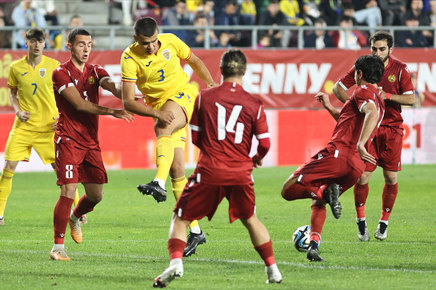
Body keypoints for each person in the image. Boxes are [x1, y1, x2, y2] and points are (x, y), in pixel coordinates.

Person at [152, 49, 282, 288]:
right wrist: (256, 158)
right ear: (244, 71)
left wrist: (213, 150)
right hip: (241, 172)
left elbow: (197, 137)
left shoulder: (204, 97)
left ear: (220, 71)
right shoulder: (255, 103)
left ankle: (176, 263)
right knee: (251, 218)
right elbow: (265, 143)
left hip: (209, 170)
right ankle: (272, 269)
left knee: (181, 218)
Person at [121, 17, 217, 257]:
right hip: (161, 106)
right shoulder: (129, 59)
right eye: (145, 43)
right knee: (178, 171)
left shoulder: (171, 42)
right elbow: (128, 102)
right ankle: (195, 231)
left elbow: (193, 60)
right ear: (136, 40)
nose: (151, 47)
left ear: (158, 35)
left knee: (162, 128)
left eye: (154, 41)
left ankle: (157, 183)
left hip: (183, 94)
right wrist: (156, 112)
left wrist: (211, 84)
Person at [282, 54, 386, 262]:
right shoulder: (379, 99)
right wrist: (330, 107)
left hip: (339, 154)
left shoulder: (362, 91)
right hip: (356, 166)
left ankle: (324, 192)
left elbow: (370, 113)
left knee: (288, 189)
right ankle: (314, 246)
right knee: (319, 202)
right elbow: (349, 120)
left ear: (360, 74)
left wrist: (360, 142)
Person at [49, 28, 133, 261]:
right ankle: (58, 247)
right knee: (69, 189)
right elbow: (79, 105)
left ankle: (76, 218)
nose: (86, 49)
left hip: (90, 142)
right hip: (68, 139)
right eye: (81, 44)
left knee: (96, 196)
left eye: (89, 44)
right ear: (70, 46)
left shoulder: (96, 71)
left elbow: (111, 85)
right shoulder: (60, 73)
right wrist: (112, 111)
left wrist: (127, 93)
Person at [332, 31, 415, 242]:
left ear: (390, 50)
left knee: (391, 178)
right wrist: (355, 105)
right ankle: (361, 222)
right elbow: (337, 88)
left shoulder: (400, 69)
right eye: (373, 49)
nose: (377, 53)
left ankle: (383, 223)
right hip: (370, 129)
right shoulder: (364, 66)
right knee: (362, 177)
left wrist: (385, 96)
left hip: (392, 130)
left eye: (381, 49)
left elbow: (411, 99)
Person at [0, 28, 59, 226]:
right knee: (8, 168)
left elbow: (66, 95)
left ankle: (77, 211)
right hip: (23, 127)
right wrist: (17, 110)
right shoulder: (16, 68)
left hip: (49, 127)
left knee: (62, 171)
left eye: (39, 41)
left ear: (45, 43)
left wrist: (63, 117)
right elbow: (13, 93)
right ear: (26, 43)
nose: (36, 45)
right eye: (32, 41)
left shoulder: (54, 66)